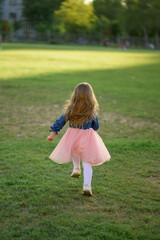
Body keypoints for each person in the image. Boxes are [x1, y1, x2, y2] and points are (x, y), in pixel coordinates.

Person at [47, 82, 111, 196]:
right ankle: (87, 186)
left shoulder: (70, 110)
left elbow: (59, 122)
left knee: (74, 151)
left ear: (75, 96)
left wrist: (52, 135)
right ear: (90, 97)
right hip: (88, 138)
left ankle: (76, 168)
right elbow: (96, 127)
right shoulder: (91, 111)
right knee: (87, 162)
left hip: (72, 137)